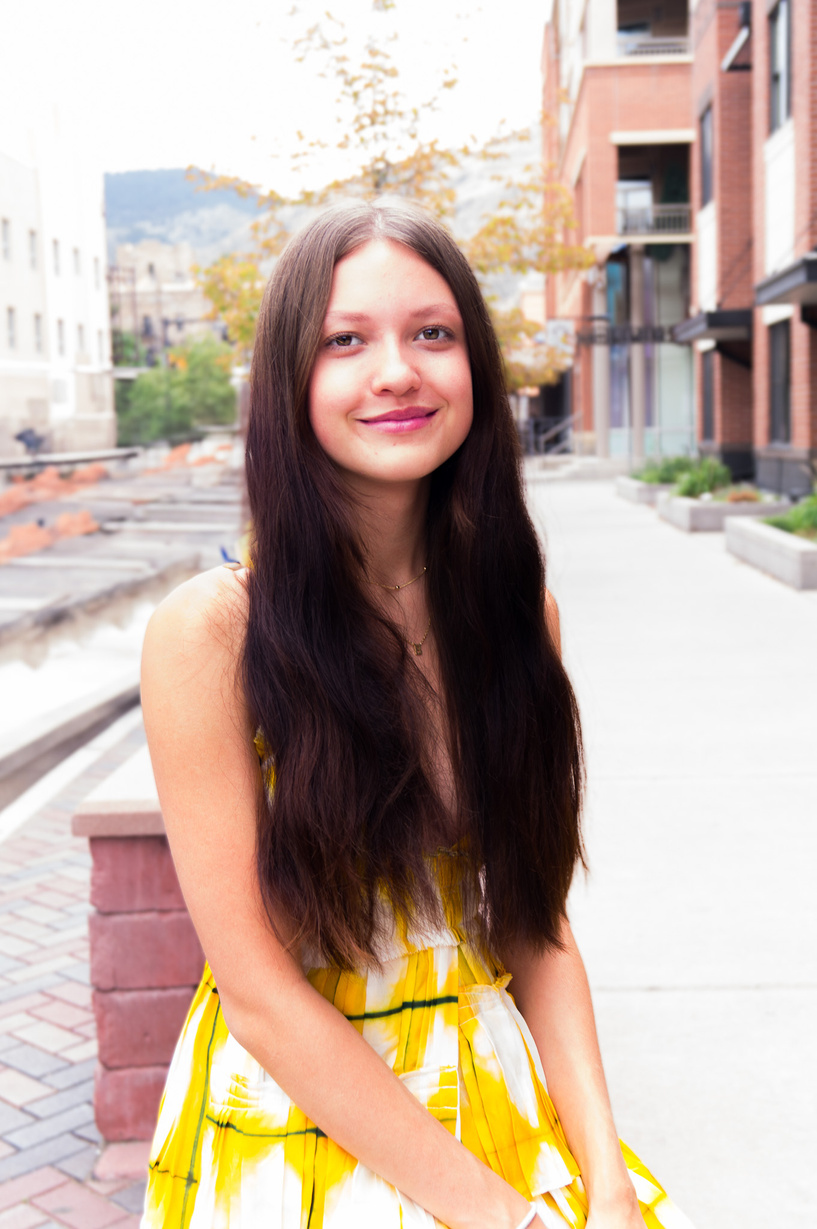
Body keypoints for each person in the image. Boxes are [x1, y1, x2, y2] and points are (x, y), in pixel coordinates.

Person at [139, 199, 693, 1229]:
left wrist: (605, 1181)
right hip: (303, 1126)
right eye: (344, 340)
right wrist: (503, 1217)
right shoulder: (213, 634)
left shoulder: (515, 610)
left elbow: (534, 921)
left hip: (498, 1095)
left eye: (430, 333)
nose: (395, 370)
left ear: (474, 365)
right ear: (287, 384)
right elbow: (256, 990)